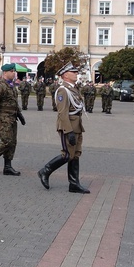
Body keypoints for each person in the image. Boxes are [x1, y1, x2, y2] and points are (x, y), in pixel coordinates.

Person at [37, 63, 90, 194]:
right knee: (67, 154)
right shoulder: (63, 90)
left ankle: (74, 184)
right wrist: (69, 131)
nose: (76, 74)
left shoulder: (73, 88)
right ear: (66, 75)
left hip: (77, 125)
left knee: (75, 155)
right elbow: (62, 112)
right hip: (68, 126)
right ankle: (45, 170)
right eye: (74, 72)